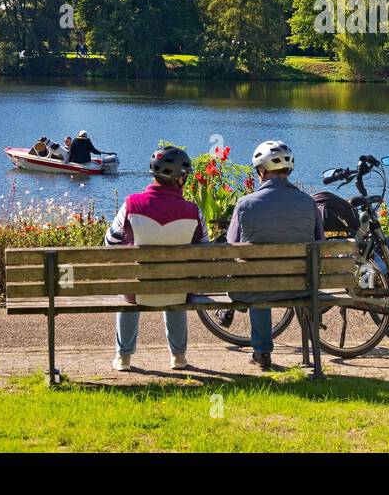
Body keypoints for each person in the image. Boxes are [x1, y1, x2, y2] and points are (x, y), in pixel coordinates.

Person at [107, 146, 205, 371]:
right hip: (179, 289)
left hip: (137, 289)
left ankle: (123, 358)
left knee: (129, 283)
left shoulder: (132, 203)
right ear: (180, 179)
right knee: (178, 282)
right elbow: (204, 249)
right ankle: (178, 357)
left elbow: (110, 242)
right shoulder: (192, 210)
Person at [227, 140, 322, 371]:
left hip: (257, 286)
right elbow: (320, 243)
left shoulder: (245, 204)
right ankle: (314, 357)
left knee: (257, 280)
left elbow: (231, 244)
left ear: (261, 170)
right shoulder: (309, 202)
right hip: (302, 286)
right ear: (288, 171)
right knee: (265, 278)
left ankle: (262, 351)